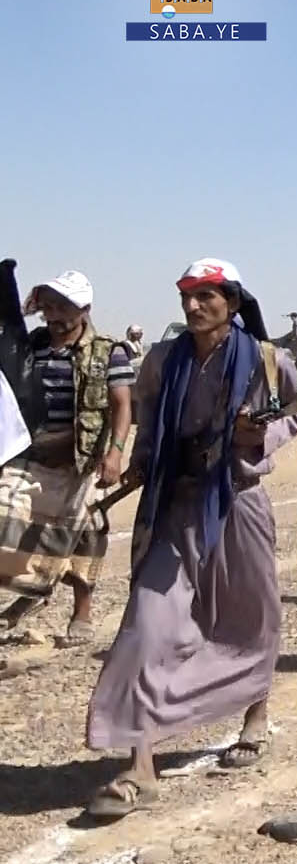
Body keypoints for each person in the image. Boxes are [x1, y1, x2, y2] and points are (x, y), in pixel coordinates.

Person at [84, 259, 297, 818]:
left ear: (231, 302)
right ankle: (139, 765)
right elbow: (148, 415)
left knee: (250, 616)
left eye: (205, 296)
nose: (192, 306)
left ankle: (255, 713)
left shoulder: (266, 358)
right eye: (186, 295)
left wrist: (259, 434)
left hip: (238, 498)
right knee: (146, 625)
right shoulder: (162, 359)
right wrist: (138, 460)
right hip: (175, 503)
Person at [0, 271, 134, 647]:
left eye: (63, 308)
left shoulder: (109, 352)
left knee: (85, 535)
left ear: (84, 309)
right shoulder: (32, 346)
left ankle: (82, 614)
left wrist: (115, 453)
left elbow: (122, 405)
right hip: (32, 456)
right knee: (7, 520)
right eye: (48, 307)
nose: (53, 316)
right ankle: (32, 590)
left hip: (81, 460)